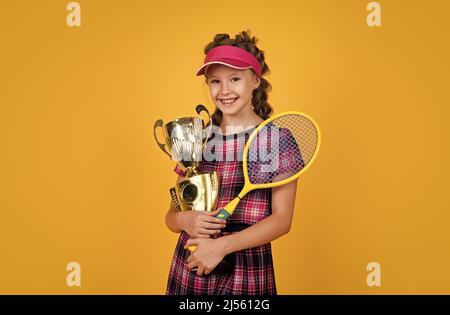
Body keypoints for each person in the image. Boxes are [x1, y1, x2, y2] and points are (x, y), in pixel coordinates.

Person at [165, 30, 298, 295]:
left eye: (235, 79)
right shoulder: (197, 138)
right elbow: (170, 217)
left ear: (255, 81)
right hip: (192, 264)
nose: (224, 90)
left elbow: (282, 220)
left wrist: (221, 247)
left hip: (246, 269)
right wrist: (185, 220)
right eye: (215, 81)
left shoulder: (276, 139)